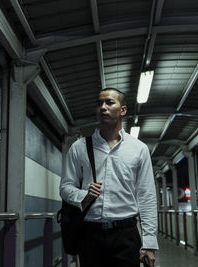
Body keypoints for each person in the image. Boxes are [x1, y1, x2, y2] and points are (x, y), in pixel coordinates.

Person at [60, 88, 158, 267]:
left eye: (109, 103)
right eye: (99, 103)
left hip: (126, 234)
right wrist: (84, 195)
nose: (103, 107)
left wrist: (149, 243)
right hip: (90, 234)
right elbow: (65, 187)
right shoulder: (79, 147)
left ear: (123, 110)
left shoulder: (139, 149)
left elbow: (147, 196)